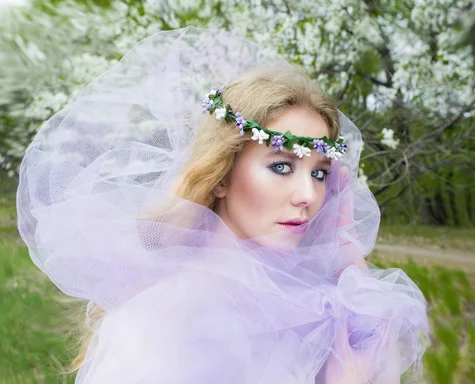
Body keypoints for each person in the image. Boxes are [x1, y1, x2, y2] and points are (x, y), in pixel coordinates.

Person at [16, 28, 429, 383]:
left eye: (319, 173)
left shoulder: (314, 305)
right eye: (282, 166)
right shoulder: (161, 321)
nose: (308, 195)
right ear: (222, 176)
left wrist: (347, 250)